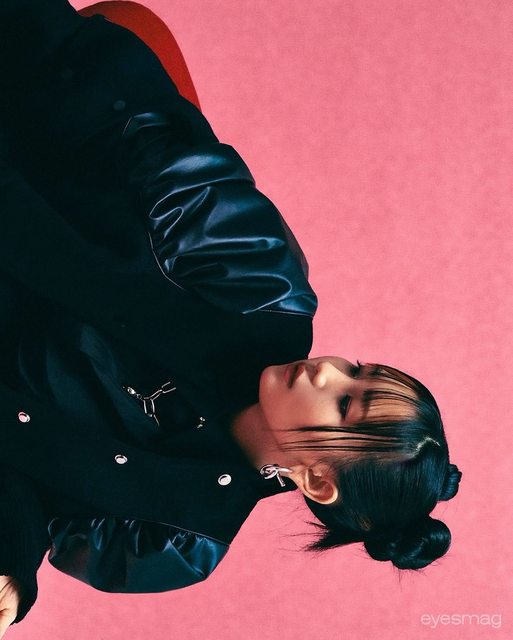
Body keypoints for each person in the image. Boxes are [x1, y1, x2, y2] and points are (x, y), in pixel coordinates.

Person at [0, 0, 461, 634]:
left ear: (319, 482)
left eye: (344, 404)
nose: (327, 370)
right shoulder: (264, 294)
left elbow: (32, 489)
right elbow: (138, 140)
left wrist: (12, 569)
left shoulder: (176, 536)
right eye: (358, 369)